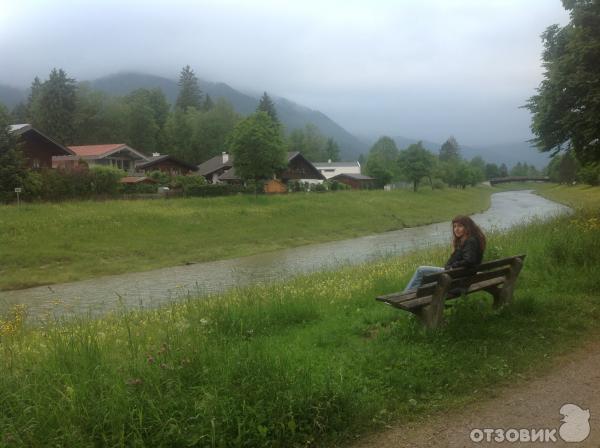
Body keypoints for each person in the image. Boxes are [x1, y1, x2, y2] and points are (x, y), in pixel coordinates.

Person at [403, 215, 486, 292]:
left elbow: (469, 260)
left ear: (467, 227)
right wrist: (454, 251)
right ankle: (410, 294)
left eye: (460, 226)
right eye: (454, 226)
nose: (456, 229)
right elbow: (467, 260)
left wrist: (452, 266)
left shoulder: (470, 241)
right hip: (460, 278)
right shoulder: (468, 240)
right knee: (425, 276)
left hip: (458, 281)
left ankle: (405, 295)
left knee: (421, 270)